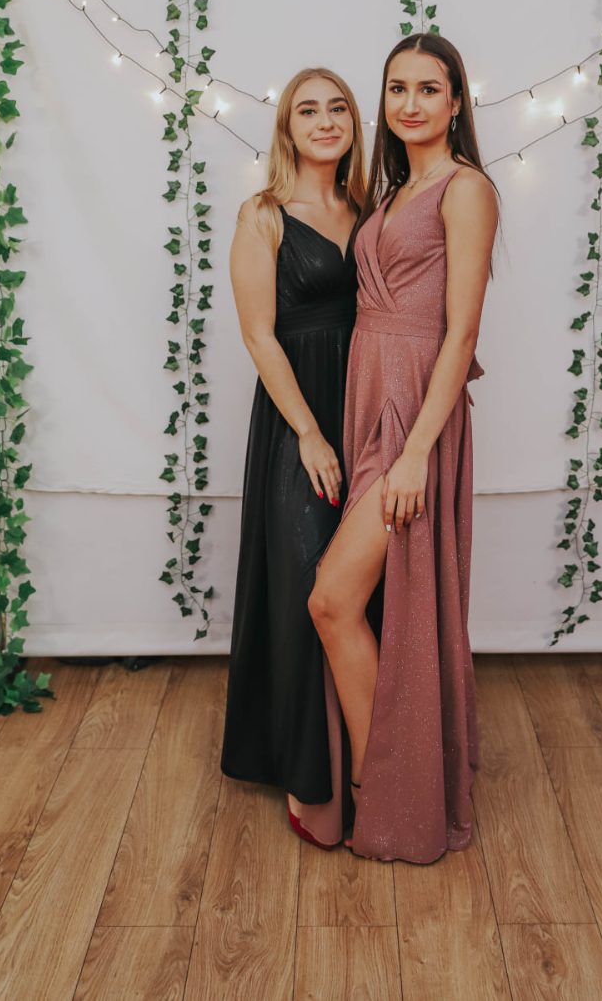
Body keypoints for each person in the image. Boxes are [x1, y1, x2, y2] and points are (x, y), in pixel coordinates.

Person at [307, 32, 499, 863]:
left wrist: (417, 449)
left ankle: (378, 787)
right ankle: (381, 777)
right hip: (367, 396)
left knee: (331, 599)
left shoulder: (465, 188)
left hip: (413, 409)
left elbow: (461, 334)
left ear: (455, 102)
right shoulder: (390, 192)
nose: (410, 103)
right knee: (349, 603)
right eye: (396, 88)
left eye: (428, 88)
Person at [220, 67, 366, 847]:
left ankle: (361, 764)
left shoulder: (368, 211)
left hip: (366, 412)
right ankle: (305, 776)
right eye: (307, 110)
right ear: (286, 129)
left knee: (357, 596)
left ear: (352, 123)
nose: (324, 120)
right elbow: (257, 335)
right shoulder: (263, 214)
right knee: (305, 586)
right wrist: (308, 432)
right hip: (297, 421)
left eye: (337, 107)